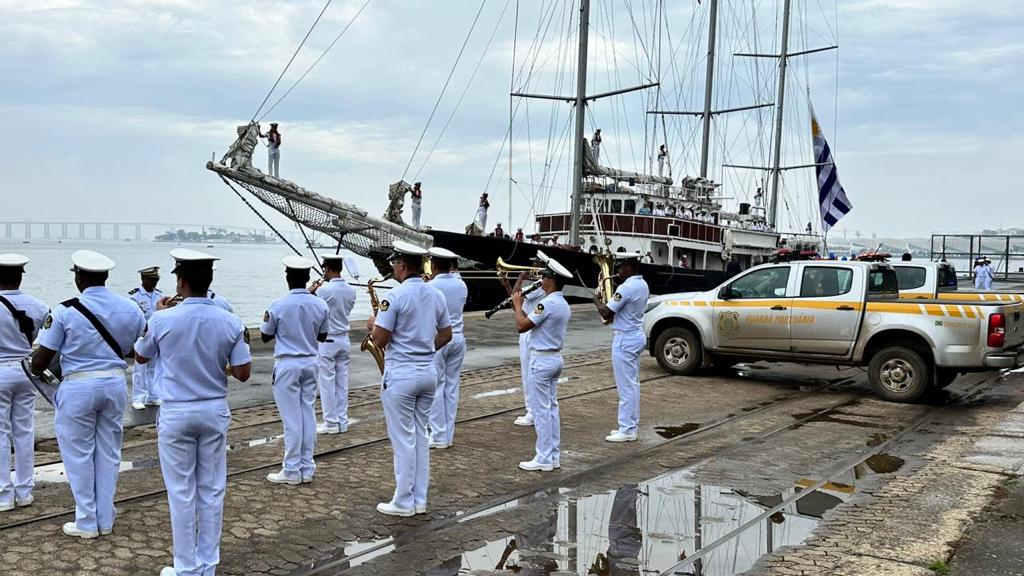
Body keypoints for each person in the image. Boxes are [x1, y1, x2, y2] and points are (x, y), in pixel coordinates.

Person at [133, 249, 252, 576]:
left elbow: (141, 357)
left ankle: (185, 568)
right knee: (212, 490)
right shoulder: (230, 320)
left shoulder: (161, 319)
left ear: (180, 281)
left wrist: (155, 315)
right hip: (213, 408)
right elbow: (243, 372)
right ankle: (207, 566)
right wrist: (217, 368)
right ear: (209, 281)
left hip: (176, 411)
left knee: (181, 492)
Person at [31, 250, 146, 538]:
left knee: (78, 454)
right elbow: (136, 348)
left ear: (79, 276)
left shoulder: (65, 310)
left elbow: (40, 361)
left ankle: (86, 521)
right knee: (109, 452)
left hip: (78, 386)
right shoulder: (130, 308)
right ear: (105, 277)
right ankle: (105, 518)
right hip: (115, 383)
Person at [368, 241, 452, 516]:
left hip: (401, 373)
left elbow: (379, 339)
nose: (392, 267)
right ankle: (419, 498)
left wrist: (372, 324)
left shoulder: (394, 296)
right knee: (419, 435)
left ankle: (403, 500)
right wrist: (424, 348)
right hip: (427, 371)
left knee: (403, 438)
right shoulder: (436, 294)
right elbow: (446, 334)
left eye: (394, 263)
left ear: (402, 264)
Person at [261, 256, 329, 485]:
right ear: (308, 277)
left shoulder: (277, 304)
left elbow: (264, 335)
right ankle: (307, 467)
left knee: (291, 420)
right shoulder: (320, 304)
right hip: (311, 361)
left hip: (287, 363)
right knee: (307, 415)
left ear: (287, 277)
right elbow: (323, 335)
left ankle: (291, 470)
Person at [511, 256, 572, 471]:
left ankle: (543, 457)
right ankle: (553, 455)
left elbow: (521, 326)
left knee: (541, 411)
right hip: (555, 357)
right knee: (551, 408)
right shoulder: (562, 304)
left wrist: (518, 305)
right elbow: (536, 323)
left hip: (542, 359)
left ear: (552, 280)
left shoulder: (546, 303)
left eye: (544, 276)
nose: (541, 280)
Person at [0, 254, 48, 513]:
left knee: (0, 433)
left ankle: (3, 494)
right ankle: (25, 491)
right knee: (24, 430)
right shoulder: (38, 305)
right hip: (26, 369)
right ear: (20, 277)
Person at [593, 252, 649, 443]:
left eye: (619, 268)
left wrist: (596, 299)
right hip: (635, 335)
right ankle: (629, 425)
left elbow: (606, 312)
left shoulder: (627, 288)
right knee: (632, 385)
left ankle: (627, 429)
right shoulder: (642, 284)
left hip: (625, 339)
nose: (616, 272)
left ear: (629, 268)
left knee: (626, 388)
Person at [501, 252, 550, 428]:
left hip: (530, 331)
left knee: (529, 375)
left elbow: (517, 294)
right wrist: (507, 284)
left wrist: (520, 277)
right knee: (526, 374)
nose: (531, 269)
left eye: (535, 265)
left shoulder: (538, 286)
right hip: (527, 327)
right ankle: (532, 409)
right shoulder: (537, 285)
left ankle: (532, 411)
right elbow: (516, 302)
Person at [426, 247, 467, 449]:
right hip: (458, 338)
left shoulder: (431, 287)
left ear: (434, 265)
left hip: (438, 338)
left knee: (436, 387)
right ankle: (448, 434)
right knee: (452, 388)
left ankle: (438, 434)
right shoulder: (462, 285)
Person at [313, 254, 356, 435]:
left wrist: (314, 288)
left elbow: (310, 304)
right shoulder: (351, 290)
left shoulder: (324, 290)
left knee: (327, 383)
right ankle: (342, 421)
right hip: (344, 339)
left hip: (327, 340)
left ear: (327, 269)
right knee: (342, 383)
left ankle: (331, 422)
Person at [129, 266, 163, 409]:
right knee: (140, 369)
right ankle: (138, 398)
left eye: (156, 280)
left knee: (155, 367)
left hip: (155, 335)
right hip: (142, 335)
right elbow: (131, 318)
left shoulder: (160, 295)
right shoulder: (134, 297)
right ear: (143, 279)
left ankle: (153, 395)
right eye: (151, 280)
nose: (154, 283)